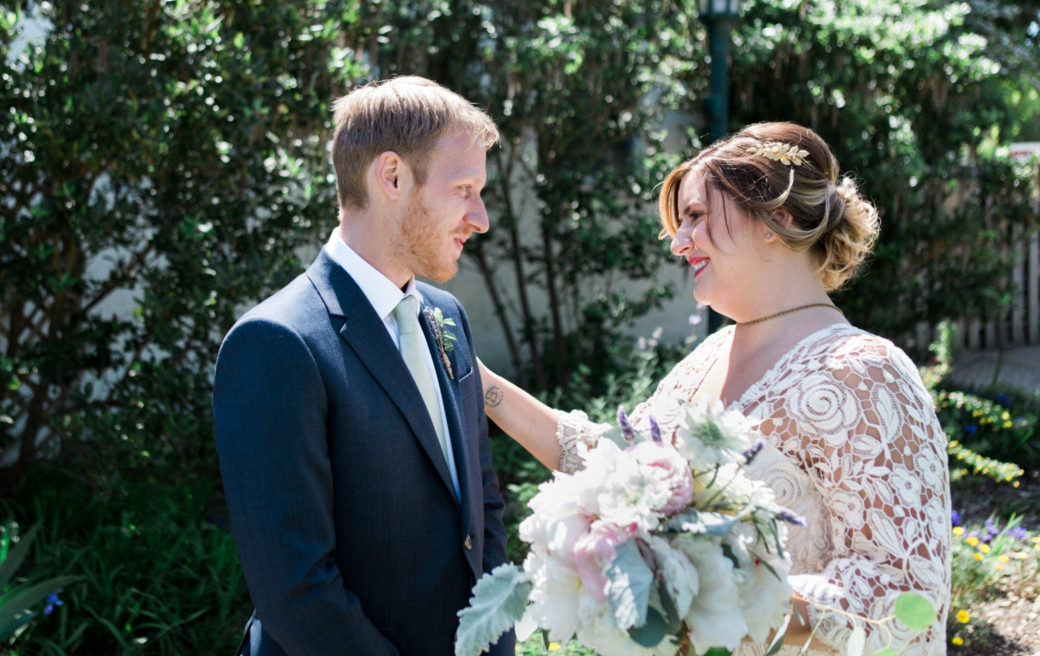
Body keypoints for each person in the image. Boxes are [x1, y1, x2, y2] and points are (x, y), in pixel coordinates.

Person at [479, 122, 951, 654]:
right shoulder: (707, 356)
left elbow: (906, 592)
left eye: (697, 218)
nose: (679, 244)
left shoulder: (863, 373)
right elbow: (608, 462)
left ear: (777, 217)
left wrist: (701, 596)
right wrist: (481, 384)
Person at [213, 76, 514, 656]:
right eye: (465, 189)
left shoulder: (446, 316)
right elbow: (296, 591)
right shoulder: (276, 343)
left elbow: (484, 508)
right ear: (393, 177)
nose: (480, 217)